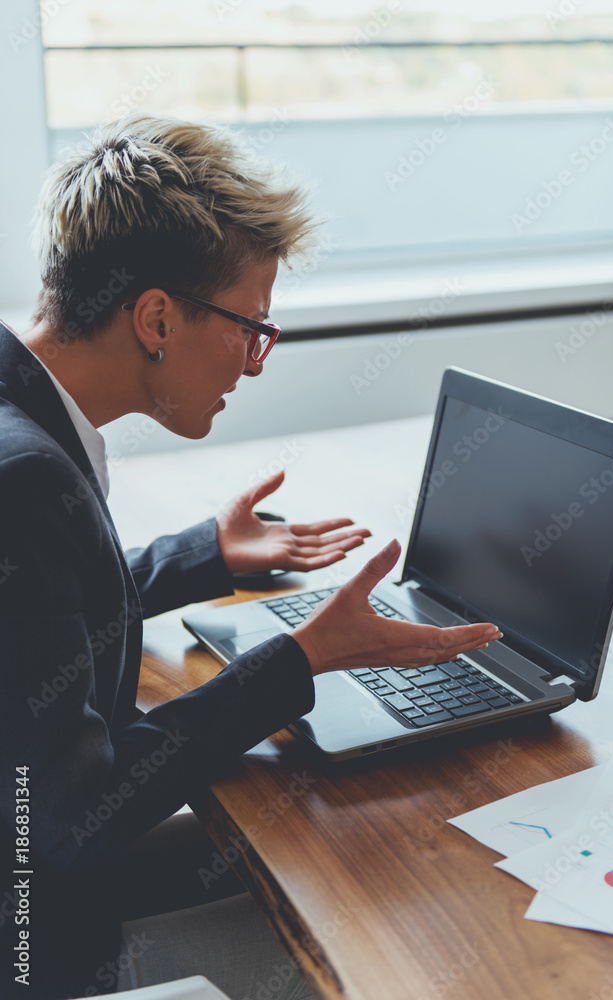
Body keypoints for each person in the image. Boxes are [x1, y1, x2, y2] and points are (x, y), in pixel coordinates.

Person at [0, 113, 501, 1000]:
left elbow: (35, 620)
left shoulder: (23, 415)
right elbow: (72, 819)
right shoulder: (26, 480)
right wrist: (300, 659)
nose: (256, 362)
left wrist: (200, 556)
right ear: (155, 316)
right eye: (250, 327)